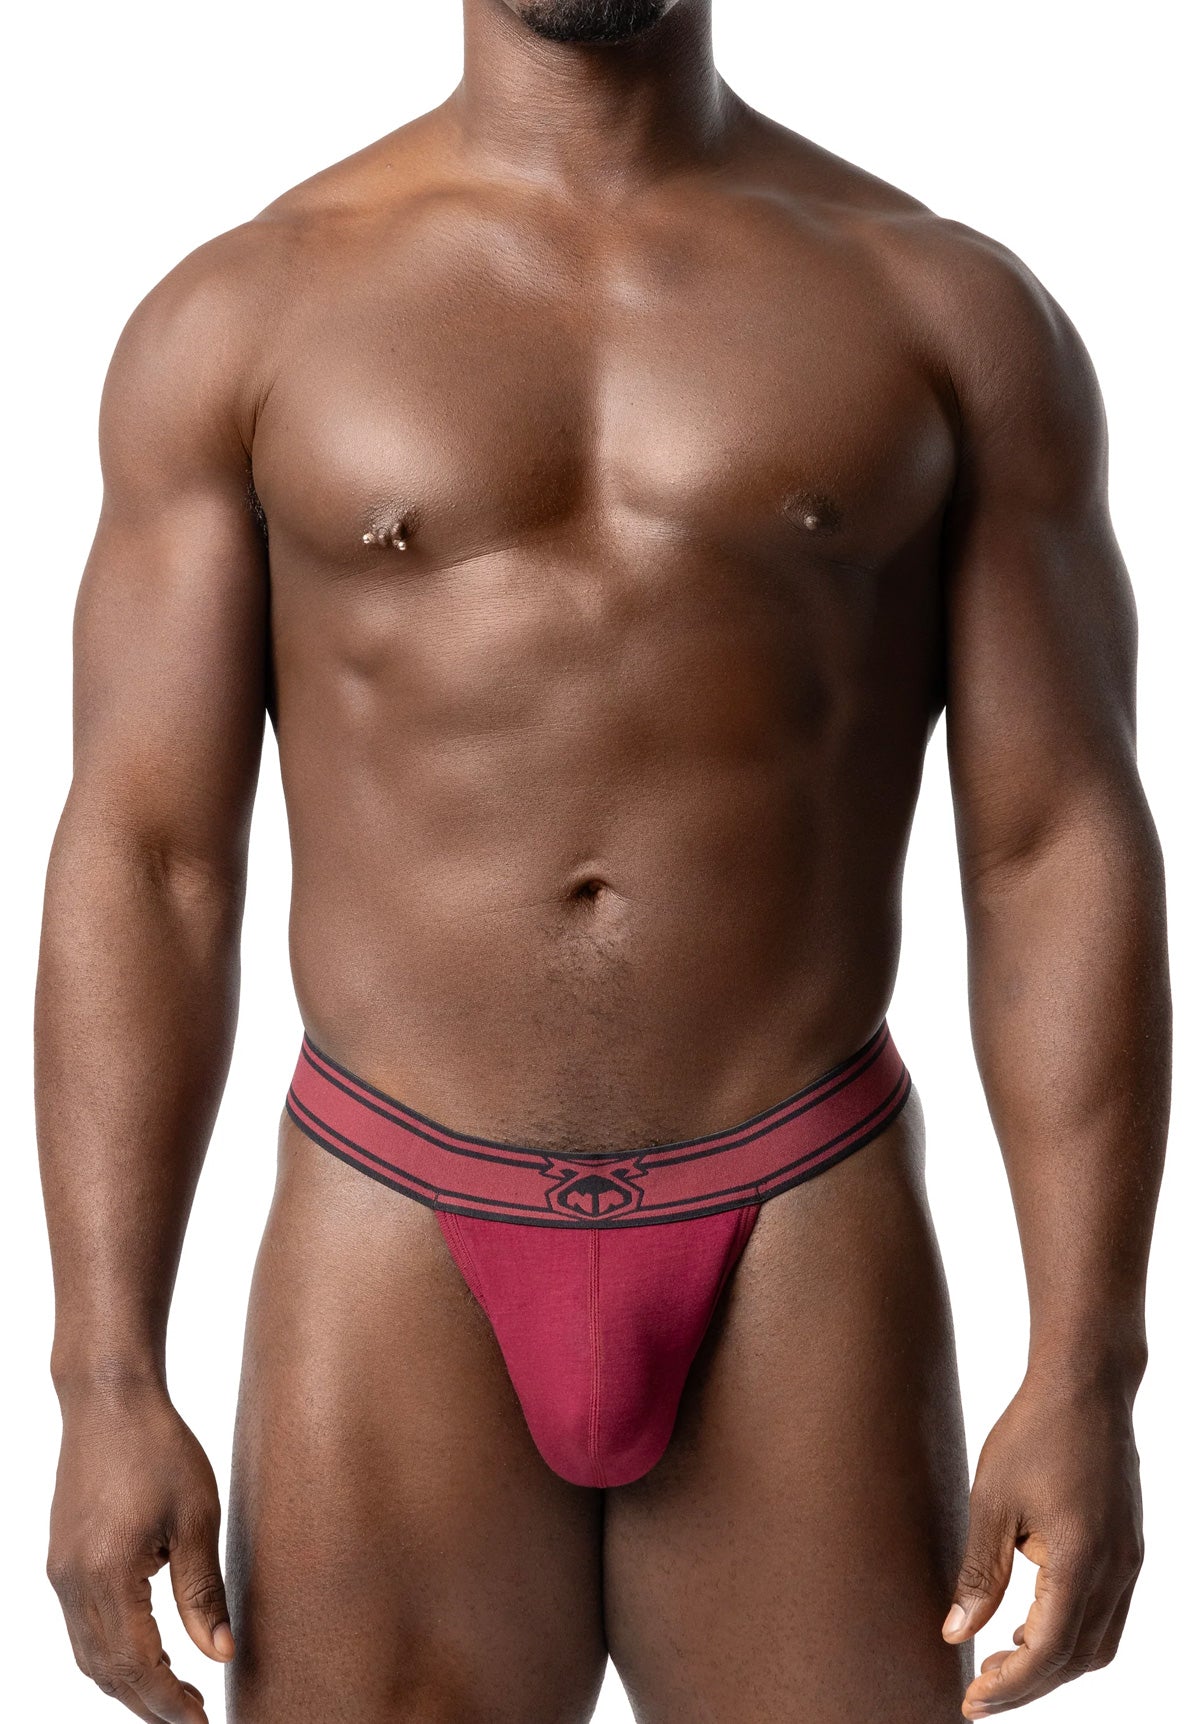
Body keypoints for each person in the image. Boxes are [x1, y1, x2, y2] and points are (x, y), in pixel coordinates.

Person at [34, 1, 1171, 1720]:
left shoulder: (939, 310)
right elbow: (148, 855)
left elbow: (1054, 839)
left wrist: (1091, 1364)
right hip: (390, 1212)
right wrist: (104, 1379)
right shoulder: (248, 316)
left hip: (798, 1210)